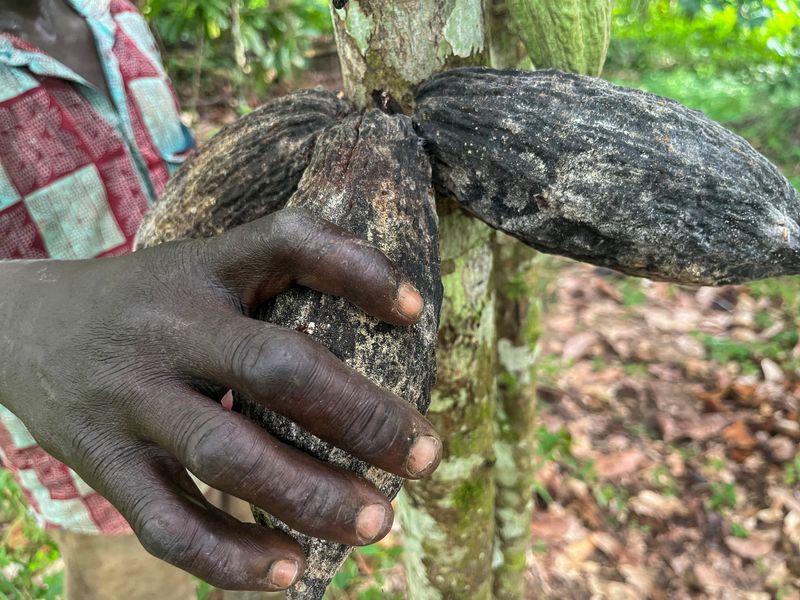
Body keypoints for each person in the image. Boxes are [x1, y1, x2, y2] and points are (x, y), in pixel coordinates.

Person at [0, 1, 442, 598]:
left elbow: (165, 166)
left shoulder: (114, 11)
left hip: (235, 392)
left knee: (259, 562)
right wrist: (19, 320)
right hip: (98, 457)